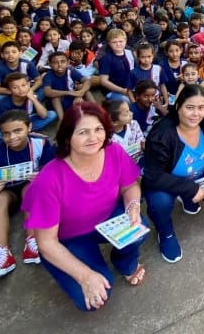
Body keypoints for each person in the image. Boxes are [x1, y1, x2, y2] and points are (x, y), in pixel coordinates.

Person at [22, 103, 148, 311]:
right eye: (83, 132)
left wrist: (133, 206)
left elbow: (130, 186)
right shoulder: (49, 178)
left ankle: (124, 262)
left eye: (98, 129)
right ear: (67, 137)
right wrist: (85, 276)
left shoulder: (113, 151)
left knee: (139, 229)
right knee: (94, 300)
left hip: (109, 219)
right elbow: (46, 242)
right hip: (69, 238)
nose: (93, 138)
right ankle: (75, 266)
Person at [142, 85, 204, 263]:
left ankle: (188, 198)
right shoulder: (162, 134)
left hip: (197, 175)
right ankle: (165, 232)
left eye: (201, 107)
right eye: (189, 108)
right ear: (178, 107)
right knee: (160, 203)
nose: (196, 114)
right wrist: (190, 189)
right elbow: (153, 176)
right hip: (166, 181)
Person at [0, 111, 55, 283]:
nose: (11, 137)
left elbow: (52, 170)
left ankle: (32, 241)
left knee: (32, 187)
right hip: (9, 195)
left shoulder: (41, 143)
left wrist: (42, 175)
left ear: (29, 127)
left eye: (17, 131)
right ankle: (2, 254)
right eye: (6, 134)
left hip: (32, 191)